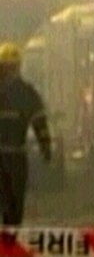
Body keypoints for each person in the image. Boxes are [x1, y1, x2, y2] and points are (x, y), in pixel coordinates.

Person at [0, 42, 52, 226]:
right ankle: (10, 245)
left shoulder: (26, 93)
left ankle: (10, 246)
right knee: (13, 204)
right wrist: (45, 145)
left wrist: (45, 144)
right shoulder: (26, 92)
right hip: (14, 159)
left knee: (13, 206)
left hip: (15, 157)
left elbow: (39, 121)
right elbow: (39, 121)